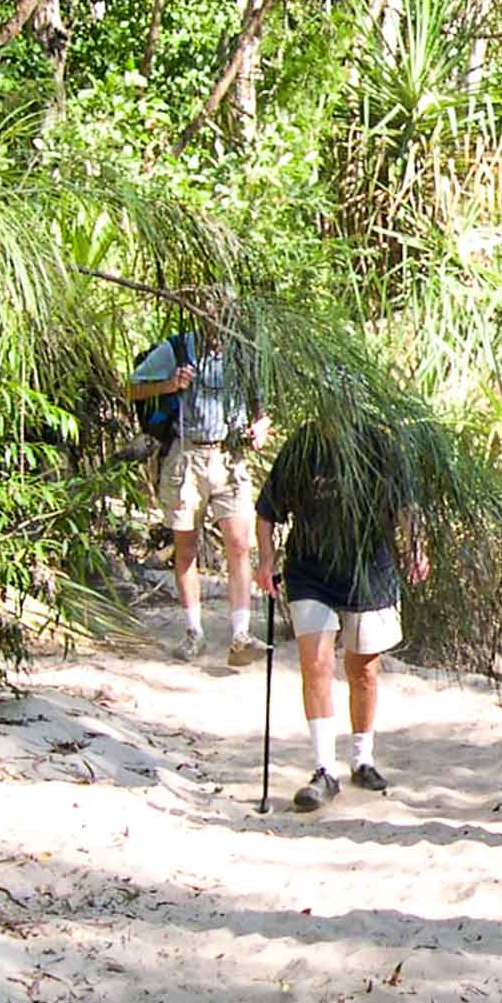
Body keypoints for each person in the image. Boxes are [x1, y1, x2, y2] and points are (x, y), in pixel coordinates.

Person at [253, 421, 428, 813]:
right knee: (315, 662)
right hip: (310, 572)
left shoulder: (379, 443)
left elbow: (406, 506)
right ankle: (323, 770)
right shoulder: (304, 447)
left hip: (369, 572)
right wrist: (265, 560)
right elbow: (267, 511)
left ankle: (362, 759)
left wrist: (416, 548)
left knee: (363, 669)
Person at [129, 312, 272, 665]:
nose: (218, 324)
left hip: (229, 457)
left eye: (225, 315)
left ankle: (240, 634)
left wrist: (261, 426)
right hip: (187, 456)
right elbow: (131, 387)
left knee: (239, 544)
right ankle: (194, 631)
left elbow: (260, 406)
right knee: (186, 546)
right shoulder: (176, 349)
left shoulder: (245, 354)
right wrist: (169, 385)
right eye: (211, 315)